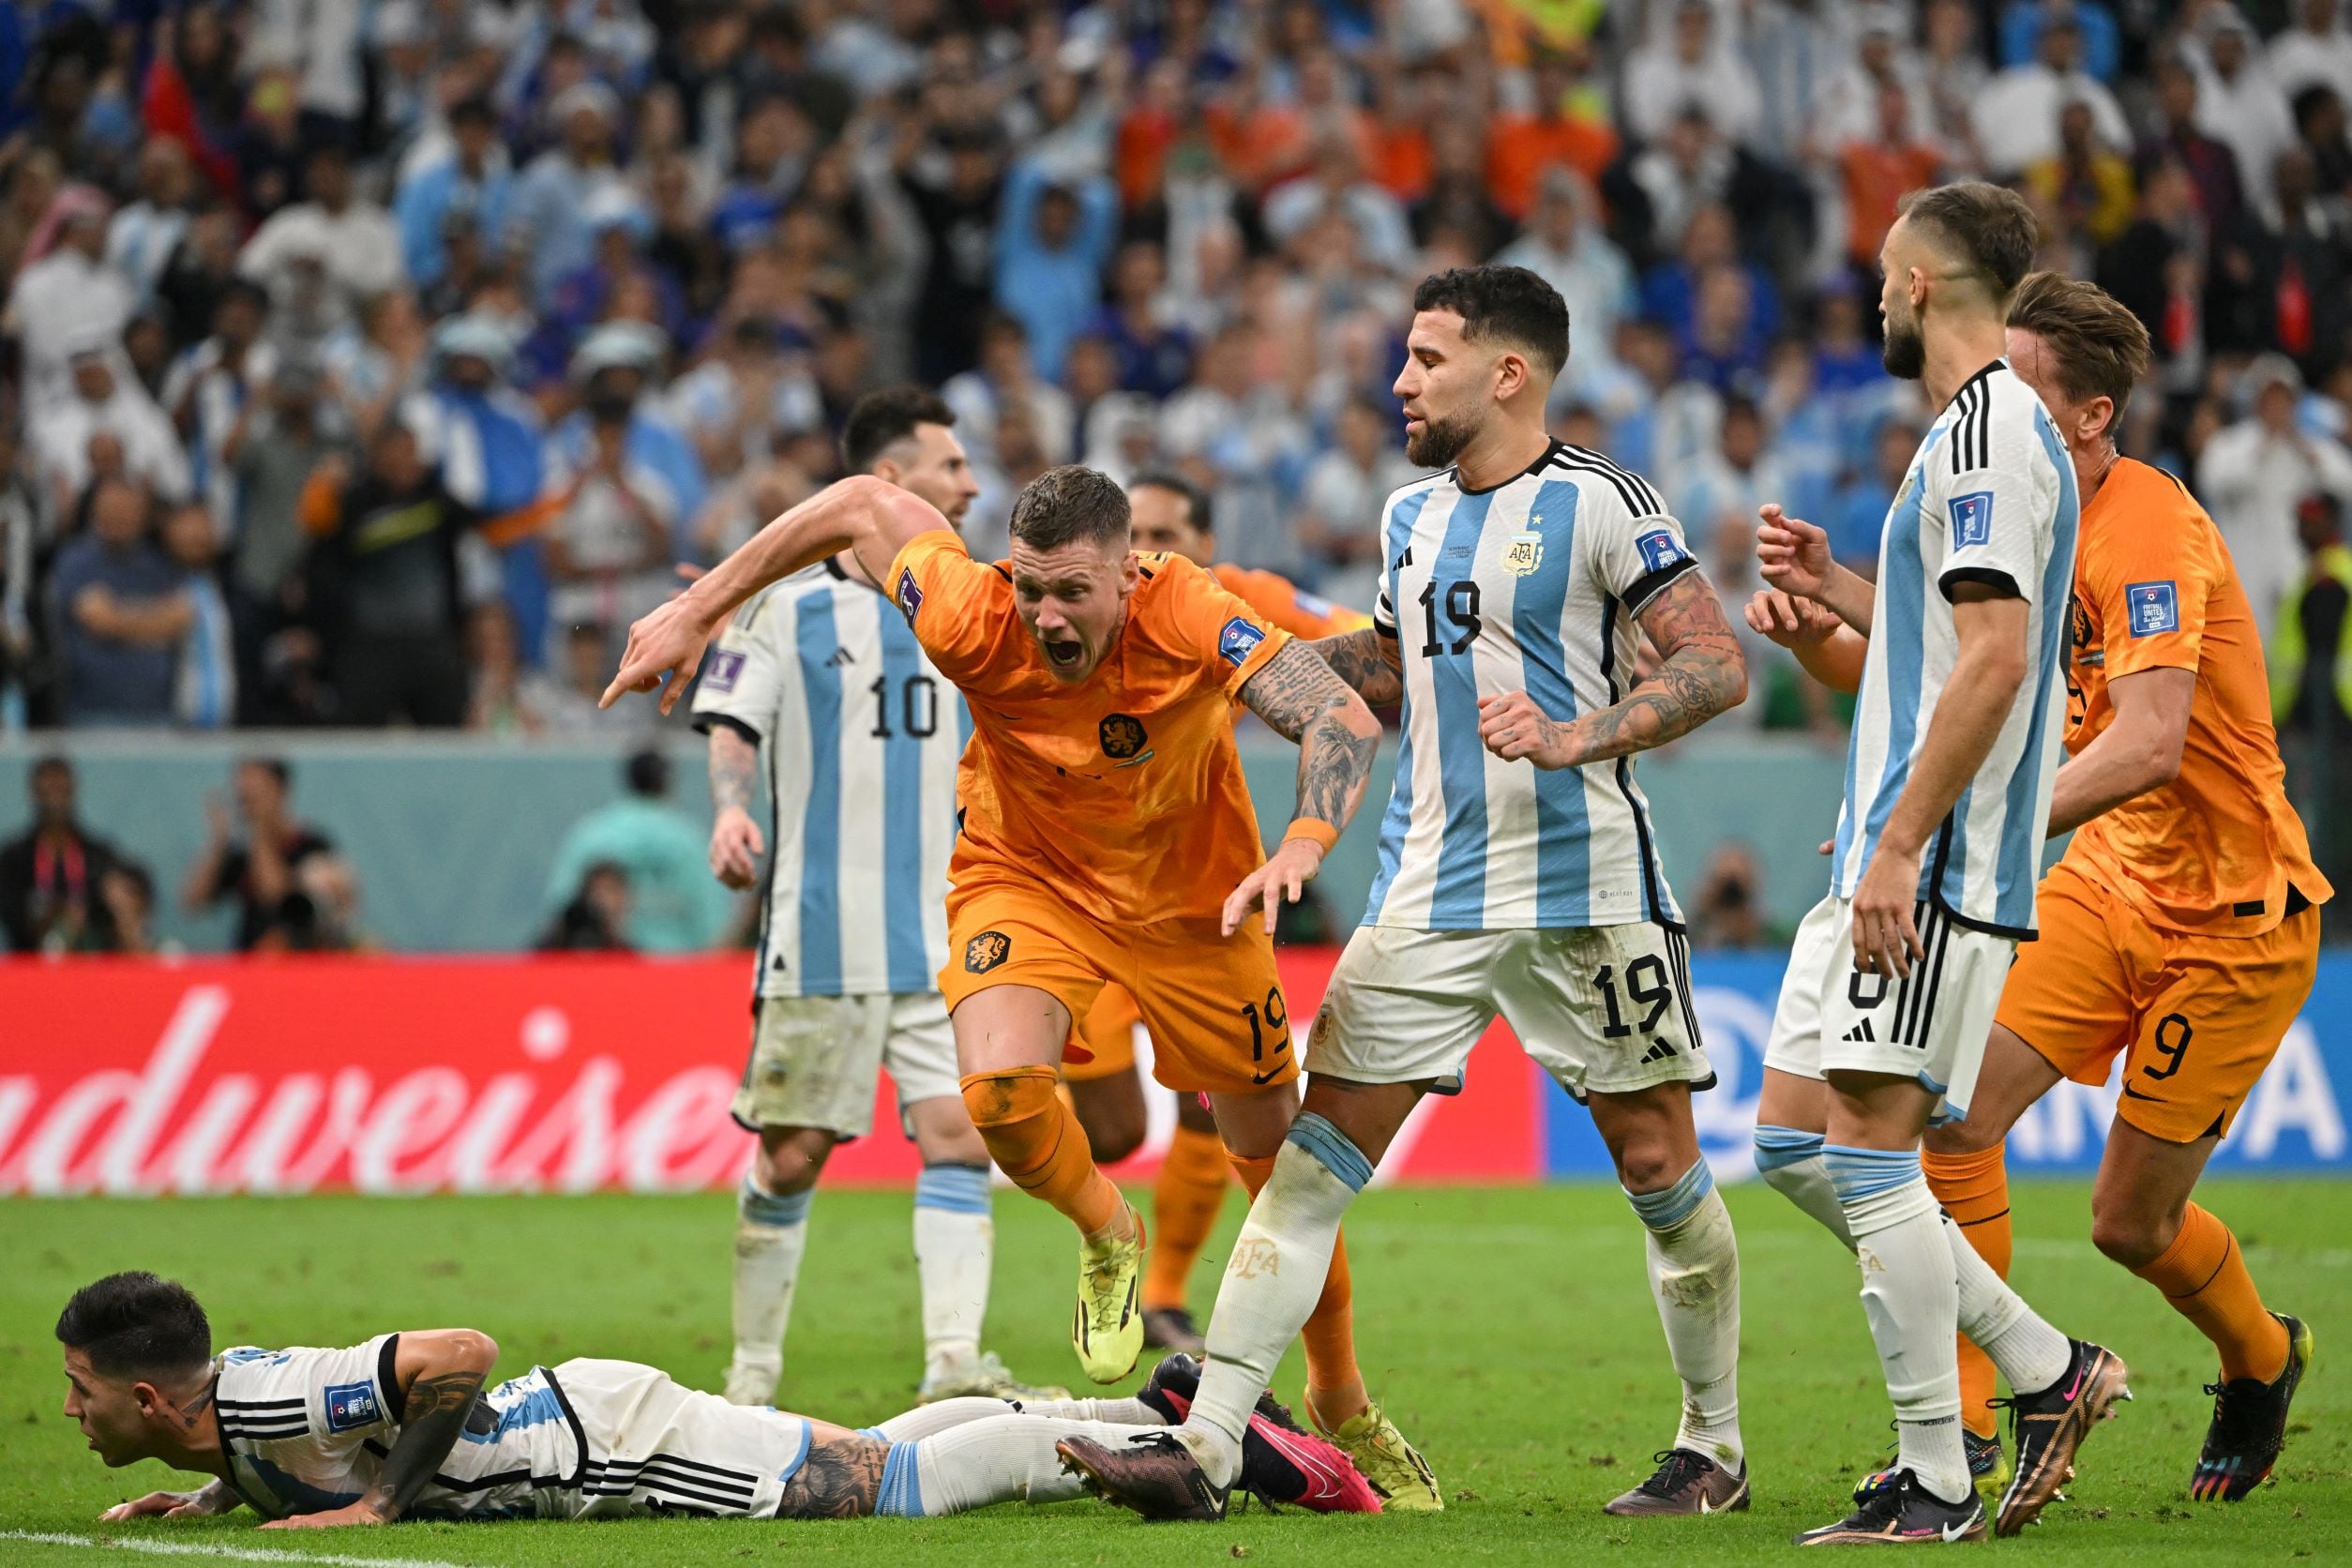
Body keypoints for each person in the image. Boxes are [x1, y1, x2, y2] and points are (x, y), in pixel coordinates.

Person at [1068, 264, 1755, 1522]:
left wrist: (1581, 732)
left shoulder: (1605, 504)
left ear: (1509, 373)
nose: (1398, 380)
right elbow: (1382, 674)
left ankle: (1711, 1446)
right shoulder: (1408, 518)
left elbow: (1717, 663)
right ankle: (1212, 1442)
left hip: (1584, 891)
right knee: (1311, 1170)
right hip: (1427, 892)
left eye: (1426, 358)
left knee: (1659, 1165)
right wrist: (1200, 687)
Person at [601, 462, 1418, 1505]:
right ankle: (1108, 1231)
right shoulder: (967, 608)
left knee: (1283, 1178)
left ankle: (1343, 1397)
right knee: (995, 1095)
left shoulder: (1193, 608)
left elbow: (1340, 715)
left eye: (1071, 591)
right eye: (1030, 586)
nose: (1043, 614)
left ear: (1130, 573)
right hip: (1027, 880)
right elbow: (858, 500)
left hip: (1193, 905)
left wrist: (1304, 842)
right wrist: (692, 606)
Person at [1741, 183, 2123, 1544]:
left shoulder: (1978, 434)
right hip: (1894, 851)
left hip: (1935, 857)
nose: (1876, 296)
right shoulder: (1976, 438)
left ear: (1920, 280)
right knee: (1794, 1138)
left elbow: (2002, 660)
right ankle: (2045, 1367)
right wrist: (1846, 587)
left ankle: (1936, 1474)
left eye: (1885, 278)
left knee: (1869, 1157)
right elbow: (1946, 639)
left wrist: (1904, 844)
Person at [1907, 273, 2320, 1503]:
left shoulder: (2145, 526)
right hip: (2111, 883)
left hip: (2234, 921)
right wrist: (1834, 597)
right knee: (1953, 1120)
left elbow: (2145, 741)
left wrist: (1983, 827)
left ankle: (2261, 1355)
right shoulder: (2031, 521)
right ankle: (1973, 1432)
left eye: (2020, 386)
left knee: (2127, 1226)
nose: (1995, 408)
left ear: (2089, 415)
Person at [691, 385, 1053, 1408]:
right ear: (888, 483)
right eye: (951, 467)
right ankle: (752, 1372)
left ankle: (952, 1360)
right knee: (795, 1151)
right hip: (823, 931)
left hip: (952, 933)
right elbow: (732, 722)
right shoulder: (788, 605)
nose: (973, 484)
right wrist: (729, 809)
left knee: (960, 1133)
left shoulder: (984, 599)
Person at [54, 1271, 1375, 1530]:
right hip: (595, 1419)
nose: (70, 1412)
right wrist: (219, 1490)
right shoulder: (244, 1423)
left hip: (602, 1446)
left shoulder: (275, 1395)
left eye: (82, 1389)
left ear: (155, 1393)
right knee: (864, 1453)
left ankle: (1228, 1457)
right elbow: (310, 1442)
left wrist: (386, 1509)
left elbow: (456, 1349)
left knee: (877, 1491)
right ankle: (1170, 1419)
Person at [1060, 466, 1372, 1358]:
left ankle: (1163, 1298)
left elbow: (1363, 640)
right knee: (1113, 1133)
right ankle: (1095, 1213)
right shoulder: (1084, 609)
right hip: (1084, 899)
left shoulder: (1232, 600)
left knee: (1217, 1111)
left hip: (1200, 899)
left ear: (1202, 545)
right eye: (1133, 536)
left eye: (1163, 535)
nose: (1144, 555)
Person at [543, 751, 731, 956]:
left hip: (605, 974)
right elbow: (712, 923)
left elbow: (561, 908)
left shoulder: (591, 834)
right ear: (667, 783)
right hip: (676, 972)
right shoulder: (690, 839)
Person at [181, 758, 335, 953]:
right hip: (248, 958)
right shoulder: (241, 854)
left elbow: (275, 897)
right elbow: (193, 901)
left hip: (296, 959)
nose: (249, 803)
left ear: (281, 790)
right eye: (243, 797)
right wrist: (219, 841)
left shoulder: (311, 845)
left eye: (257, 793)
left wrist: (259, 830)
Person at [0, 755, 128, 953]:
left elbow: (112, 916)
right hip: (29, 966)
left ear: (74, 790)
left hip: (88, 965)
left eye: (61, 790)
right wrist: (49, 915)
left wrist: (86, 917)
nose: (55, 800)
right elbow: (11, 916)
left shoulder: (98, 855)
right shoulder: (14, 858)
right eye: (48, 790)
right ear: (34, 792)